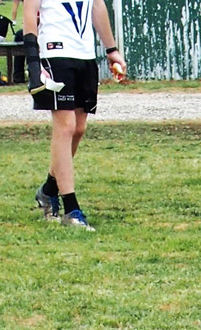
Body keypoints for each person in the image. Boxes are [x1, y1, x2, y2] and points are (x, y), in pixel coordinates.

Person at [22, 0, 125, 230]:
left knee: (78, 129)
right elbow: (30, 13)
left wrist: (111, 49)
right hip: (54, 53)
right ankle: (71, 209)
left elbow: (97, 5)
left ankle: (49, 190)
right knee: (65, 126)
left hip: (84, 55)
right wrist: (33, 62)